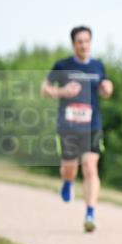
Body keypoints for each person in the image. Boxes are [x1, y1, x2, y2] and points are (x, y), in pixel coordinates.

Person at [41, 26, 113, 232]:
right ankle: (67, 182)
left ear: (91, 42)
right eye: (79, 41)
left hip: (92, 124)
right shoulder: (63, 65)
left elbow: (105, 88)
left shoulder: (98, 66)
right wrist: (62, 91)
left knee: (91, 167)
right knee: (70, 168)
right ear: (74, 44)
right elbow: (44, 89)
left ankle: (90, 213)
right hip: (69, 125)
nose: (83, 45)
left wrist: (107, 88)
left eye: (87, 41)